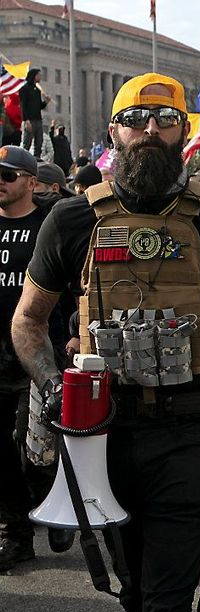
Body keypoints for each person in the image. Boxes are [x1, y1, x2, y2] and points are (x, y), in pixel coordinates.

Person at [11, 73, 200, 612]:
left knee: (165, 610)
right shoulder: (72, 219)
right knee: (134, 599)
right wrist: (55, 388)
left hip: (186, 432)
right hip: (99, 433)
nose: (150, 131)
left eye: (164, 121)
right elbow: (28, 322)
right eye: (135, 120)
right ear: (114, 130)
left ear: (184, 131)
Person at [0, 146, 73, 571]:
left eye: (9, 175)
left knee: (40, 447)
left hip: (40, 354)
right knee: (1, 451)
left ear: (30, 181)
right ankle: (16, 534)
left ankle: (55, 500)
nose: (1, 181)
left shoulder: (51, 225)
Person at [18, 69, 49, 159]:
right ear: (34, 76)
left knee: (39, 143)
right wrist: (26, 120)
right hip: (29, 120)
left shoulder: (37, 90)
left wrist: (46, 102)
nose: (40, 77)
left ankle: (36, 161)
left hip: (38, 119)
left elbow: (39, 106)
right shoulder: (24, 89)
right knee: (27, 143)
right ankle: (23, 160)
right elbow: (23, 106)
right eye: (39, 75)